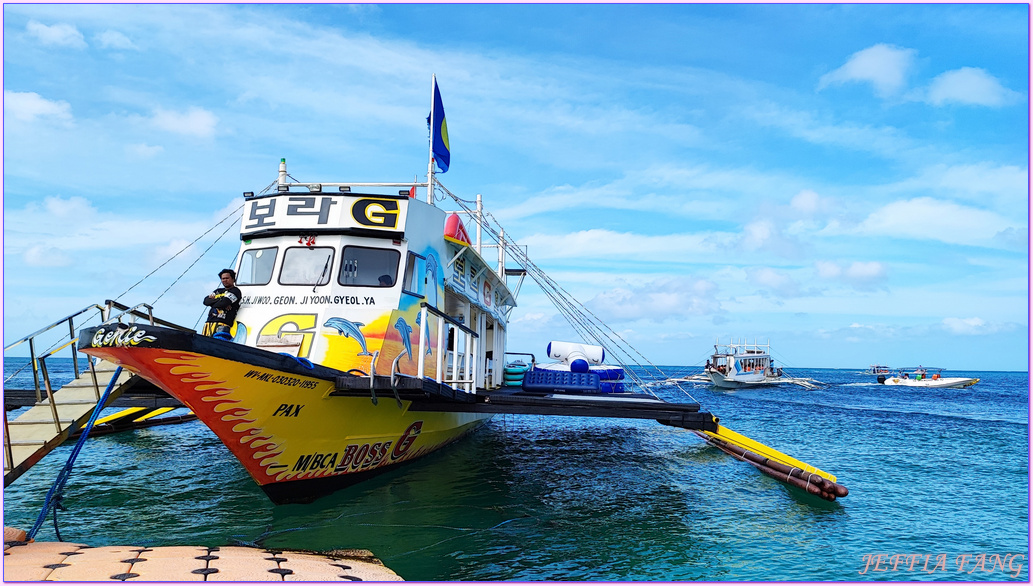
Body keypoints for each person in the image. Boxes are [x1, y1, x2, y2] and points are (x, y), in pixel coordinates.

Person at [203, 269, 242, 340]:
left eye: (227, 278)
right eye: (222, 278)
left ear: (233, 279)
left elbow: (224, 303)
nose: (224, 280)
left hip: (223, 324)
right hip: (209, 323)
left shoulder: (235, 291)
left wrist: (214, 302)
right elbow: (206, 301)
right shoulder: (218, 291)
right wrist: (220, 301)